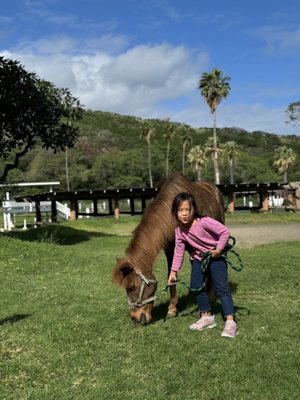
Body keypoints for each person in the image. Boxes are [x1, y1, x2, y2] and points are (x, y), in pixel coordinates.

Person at [168, 192, 237, 338]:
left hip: (216, 257)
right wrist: (173, 272)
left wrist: (218, 250)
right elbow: (179, 252)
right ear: (175, 212)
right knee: (196, 286)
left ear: (194, 209)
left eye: (188, 209)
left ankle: (230, 321)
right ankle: (207, 317)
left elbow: (224, 232)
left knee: (222, 288)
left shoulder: (204, 222)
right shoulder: (179, 231)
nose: (185, 214)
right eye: (180, 210)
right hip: (199, 259)